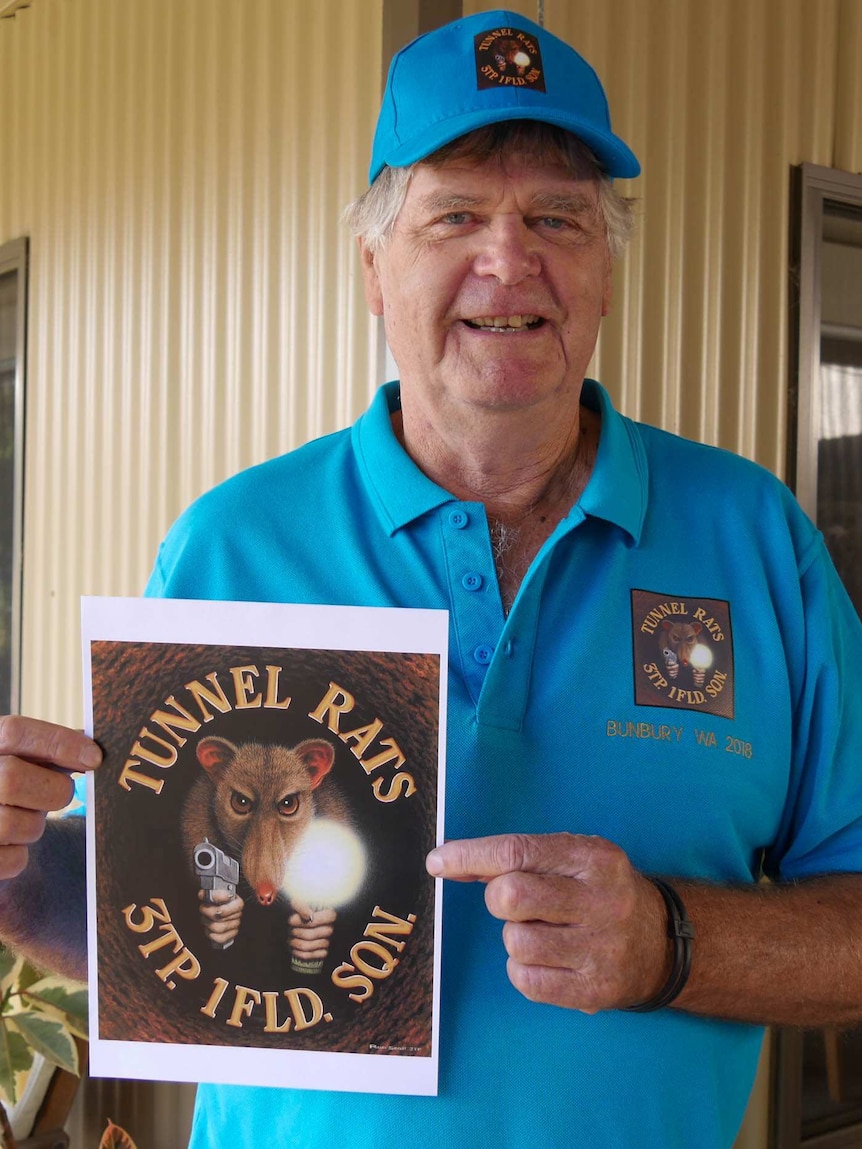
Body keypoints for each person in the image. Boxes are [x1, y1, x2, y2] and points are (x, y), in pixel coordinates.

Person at [1, 9, 861, 1147]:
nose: (510, 259)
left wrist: (670, 941)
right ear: (372, 266)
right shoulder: (232, 542)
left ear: (604, 271)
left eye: (558, 217)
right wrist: (10, 872)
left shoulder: (755, 539)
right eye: (454, 213)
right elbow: (150, 915)